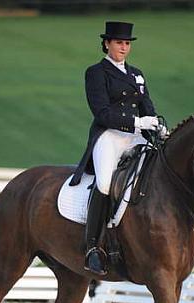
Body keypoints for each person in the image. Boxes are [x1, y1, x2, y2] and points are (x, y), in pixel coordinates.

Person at [70, 21, 167, 276]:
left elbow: (148, 107)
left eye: (126, 44)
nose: (123, 47)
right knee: (104, 183)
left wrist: (157, 125)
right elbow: (102, 113)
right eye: (118, 43)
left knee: (158, 172)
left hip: (136, 136)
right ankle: (93, 248)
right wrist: (137, 122)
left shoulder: (137, 73)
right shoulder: (96, 72)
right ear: (106, 44)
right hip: (109, 136)